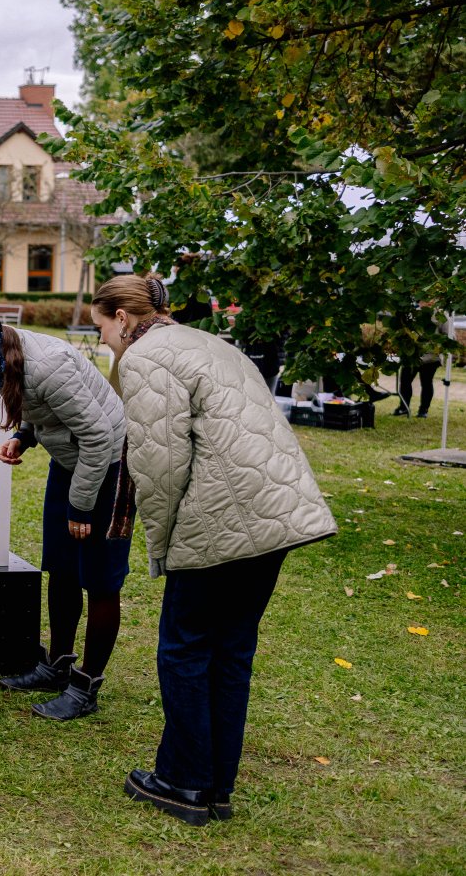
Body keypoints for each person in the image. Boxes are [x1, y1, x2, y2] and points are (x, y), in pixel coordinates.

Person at [94, 275, 337, 826]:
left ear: (124, 317)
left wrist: (163, 544)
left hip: (222, 519)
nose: (104, 339)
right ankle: (214, 785)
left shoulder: (145, 359)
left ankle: (183, 782)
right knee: (230, 652)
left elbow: (159, 462)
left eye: (102, 325)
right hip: (275, 513)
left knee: (185, 648)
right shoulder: (207, 342)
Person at [0, 308, 127, 721]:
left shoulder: (46, 366)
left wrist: (81, 506)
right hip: (72, 459)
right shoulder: (5, 353)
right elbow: (54, 411)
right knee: (60, 565)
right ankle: (57, 664)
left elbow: (98, 435)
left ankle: (85, 685)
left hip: (108, 465)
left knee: (99, 576)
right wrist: (25, 436)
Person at [395, 308, 452, 417]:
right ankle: (404, 407)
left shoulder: (440, 314)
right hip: (412, 356)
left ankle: (423, 410)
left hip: (431, 357)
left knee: (426, 383)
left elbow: (448, 335)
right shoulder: (413, 312)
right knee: (405, 381)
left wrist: (433, 343)